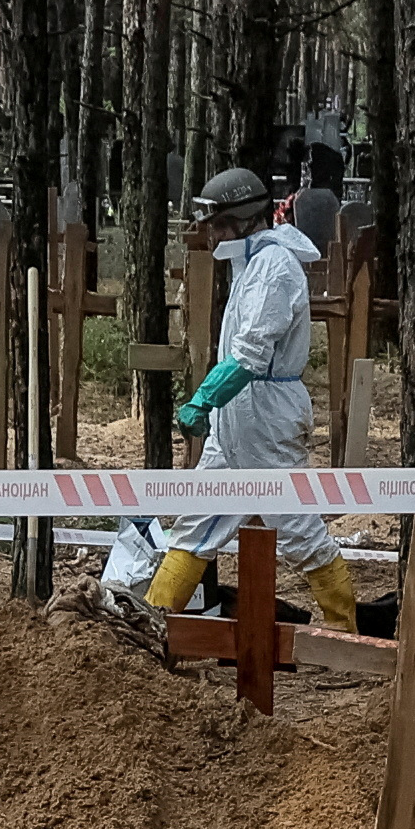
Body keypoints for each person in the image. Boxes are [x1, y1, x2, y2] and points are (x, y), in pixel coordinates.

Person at [147, 164, 351, 627]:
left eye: (219, 223)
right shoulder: (252, 263)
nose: (213, 233)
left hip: (266, 418)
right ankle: (153, 628)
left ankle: (346, 633)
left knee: (297, 529)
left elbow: (251, 354)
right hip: (237, 419)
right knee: (197, 521)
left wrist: (204, 398)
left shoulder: (274, 268)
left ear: (244, 219)